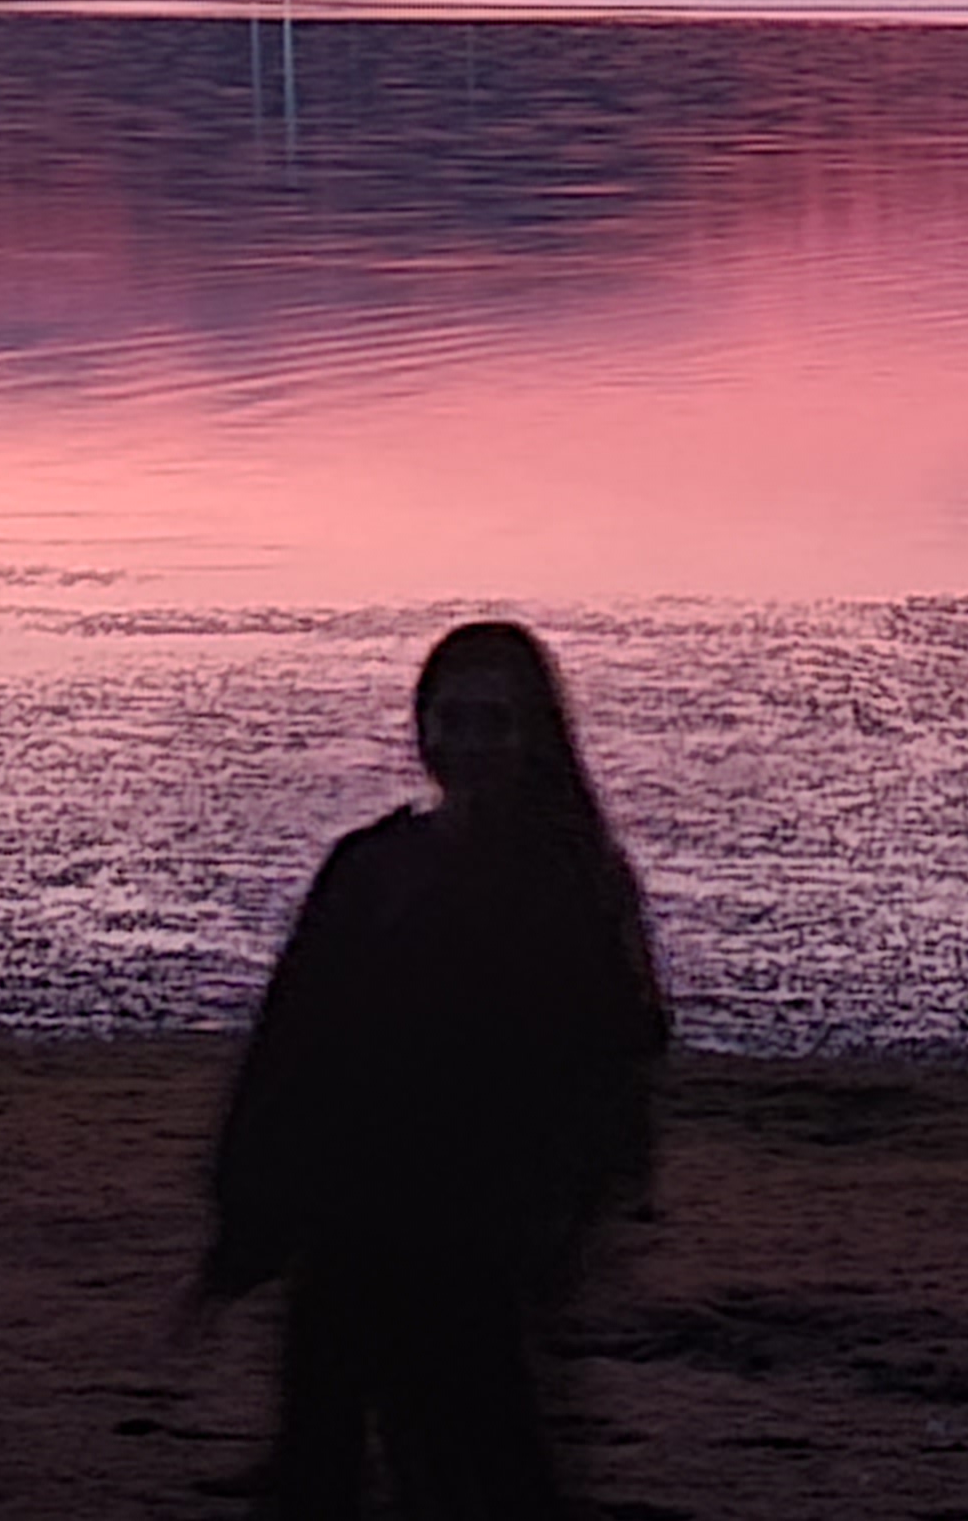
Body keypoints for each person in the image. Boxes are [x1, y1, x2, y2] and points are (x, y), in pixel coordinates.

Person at [193, 622, 671, 1521]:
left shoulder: (571, 882)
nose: (464, 745)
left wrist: (569, 1204)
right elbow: (293, 1036)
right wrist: (248, 1190)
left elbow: (614, 1051)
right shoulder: (371, 864)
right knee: (321, 1454)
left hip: (477, 1223)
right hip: (351, 1208)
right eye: (449, 720)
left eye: (492, 723)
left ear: (535, 735)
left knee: (478, 1458)